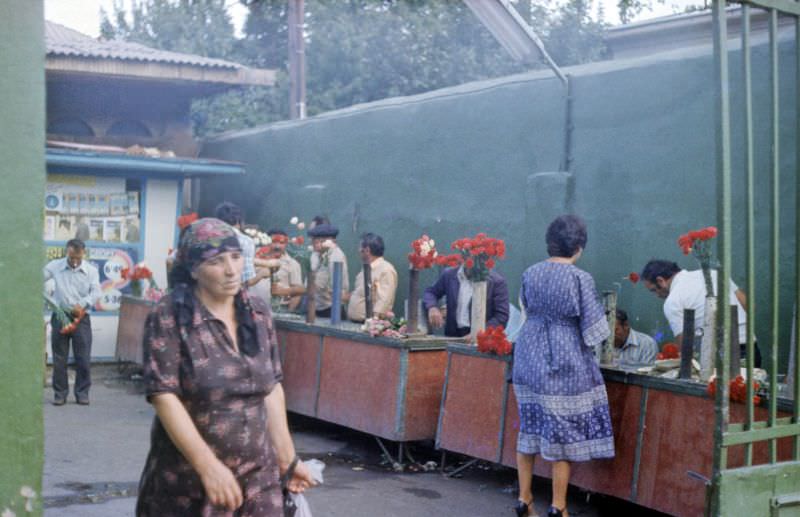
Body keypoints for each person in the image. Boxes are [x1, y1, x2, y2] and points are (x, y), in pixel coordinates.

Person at [136, 218, 316, 516]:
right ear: (193, 269)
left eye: (235, 257)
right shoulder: (170, 316)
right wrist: (208, 467)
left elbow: (270, 389)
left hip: (259, 476)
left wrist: (288, 460)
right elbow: (163, 395)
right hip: (188, 481)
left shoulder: (257, 311)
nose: (232, 270)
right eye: (217, 262)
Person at [513, 215, 615, 517]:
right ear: (579, 247)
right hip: (563, 358)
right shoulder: (580, 278)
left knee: (530, 426)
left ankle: (524, 499)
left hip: (528, 354)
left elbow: (526, 310)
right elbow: (596, 330)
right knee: (563, 434)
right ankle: (558, 507)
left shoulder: (530, 272)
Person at [640, 259, 761, 367]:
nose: (657, 296)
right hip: (751, 349)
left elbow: (686, 348)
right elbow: (750, 306)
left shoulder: (673, 301)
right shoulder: (714, 274)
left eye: (654, 290)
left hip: (721, 358)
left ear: (661, 281)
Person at [43, 239, 101, 405]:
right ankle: (60, 394)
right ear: (67, 252)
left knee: (83, 357)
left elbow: (97, 292)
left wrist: (81, 305)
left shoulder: (91, 271)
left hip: (81, 318)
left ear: (83, 253)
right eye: (71, 257)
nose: (74, 261)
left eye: (77, 257)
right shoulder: (55, 266)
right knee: (59, 358)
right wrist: (49, 300)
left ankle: (82, 393)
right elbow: (36, 279)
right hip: (60, 316)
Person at [422, 260, 509, 338]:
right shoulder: (449, 275)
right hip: (452, 337)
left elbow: (501, 317)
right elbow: (431, 292)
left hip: (481, 340)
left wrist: (479, 333)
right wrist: (432, 307)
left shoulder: (497, 282)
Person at [215, 202, 271, 289]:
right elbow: (246, 280)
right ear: (239, 220)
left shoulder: (212, 239)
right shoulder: (245, 241)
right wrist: (262, 273)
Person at [347, 233, 398, 322]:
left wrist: (373, 322)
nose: (358, 250)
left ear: (367, 250)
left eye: (360, 248)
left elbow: (384, 300)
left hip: (369, 326)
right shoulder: (367, 268)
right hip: (358, 323)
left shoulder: (386, 270)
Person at [308, 223, 349, 318]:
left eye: (320, 241)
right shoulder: (315, 254)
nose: (315, 244)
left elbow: (325, 286)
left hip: (331, 309)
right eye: (314, 241)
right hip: (315, 306)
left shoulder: (335, 257)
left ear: (332, 241)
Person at [267, 229, 305, 311]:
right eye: (274, 242)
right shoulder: (257, 258)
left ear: (286, 244)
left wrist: (288, 313)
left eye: (281, 243)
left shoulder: (293, 264)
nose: (277, 246)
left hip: (278, 309)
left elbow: (297, 292)